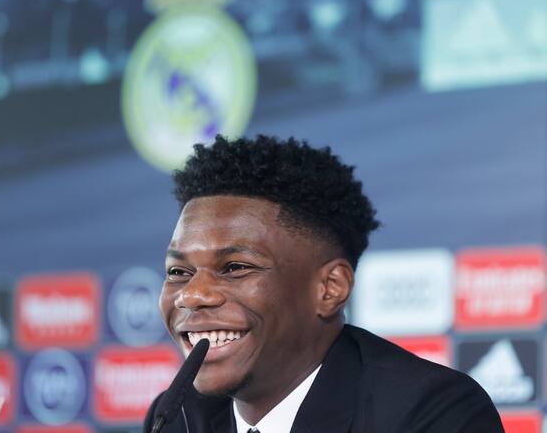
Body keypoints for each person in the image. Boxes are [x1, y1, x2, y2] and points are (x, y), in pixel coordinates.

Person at [144, 135, 503, 433]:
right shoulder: (174, 416)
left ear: (330, 288)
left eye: (235, 267)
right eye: (178, 272)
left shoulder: (431, 412)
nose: (193, 294)